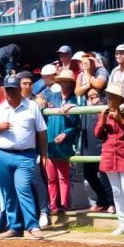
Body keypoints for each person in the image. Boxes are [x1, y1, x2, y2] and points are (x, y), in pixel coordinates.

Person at [0, 75, 48, 240]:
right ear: (5, 91)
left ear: (20, 89)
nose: (11, 93)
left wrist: (44, 153)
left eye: (14, 89)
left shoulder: (32, 106)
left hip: (25, 155)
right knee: (8, 193)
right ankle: (15, 227)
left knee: (23, 188)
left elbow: (41, 131)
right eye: (9, 90)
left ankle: (32, 225)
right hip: (1, 154)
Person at [95, 83, 124, 237]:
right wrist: (102, 120)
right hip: (109, 155)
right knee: (116, 191)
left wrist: (121, 120)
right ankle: (122, 223)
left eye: (113, 96)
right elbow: (98, 134)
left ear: (120, 98)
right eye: (108, 96)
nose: (109, 99)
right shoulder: (105, 112)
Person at [44, 70, 79, 215]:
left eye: (67, 82)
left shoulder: (74, 100)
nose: (64, 84)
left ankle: (64, 205)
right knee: (51, 178)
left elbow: (76, 124)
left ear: (71, 84)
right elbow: (42, 115)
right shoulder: (51, 96)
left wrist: (66, 133)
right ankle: (53, 206)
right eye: (62, 81)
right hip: (49, 142)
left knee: (63, 177)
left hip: (64, 144)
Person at [80, 88, 113, 212]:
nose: (92, 98)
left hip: (101, 146)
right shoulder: (84, 108)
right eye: (89, 96)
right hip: (87, 147)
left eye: (95, 95)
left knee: (105, 176)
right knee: (89, 174)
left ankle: (111, 203)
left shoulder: (105, 107)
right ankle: (102, 199)